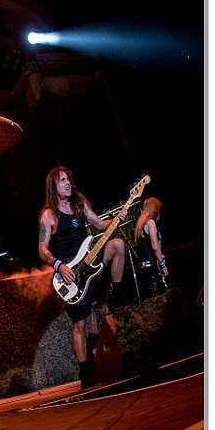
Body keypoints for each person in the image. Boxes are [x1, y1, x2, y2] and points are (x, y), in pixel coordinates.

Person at [37, 166, 126, 388]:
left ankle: (117, 294)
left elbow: (98, 224)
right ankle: (86, 373)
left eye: (68, 179)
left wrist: (117, 218)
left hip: (90, 260)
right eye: (62, 180)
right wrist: (59, 266)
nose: (67, 183)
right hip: (70, 275)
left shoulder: (79, 204)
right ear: (53, 186)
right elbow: (42, 249)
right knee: (79, 324)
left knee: (117, 244)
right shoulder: (49, 215)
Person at [134, 197, 169, 296]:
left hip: (143, 268)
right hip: (152, 268)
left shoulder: (139, 224)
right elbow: (155, 247)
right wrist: (163, 265)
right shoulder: (150, 223)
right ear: (155, 210)